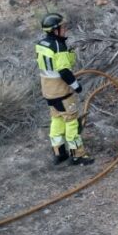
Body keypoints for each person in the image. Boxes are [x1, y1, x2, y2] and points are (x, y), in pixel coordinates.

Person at [36, 13, 94, 166]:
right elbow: (64, 71)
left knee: (57, 120)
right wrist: (76, 86)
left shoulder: (41, 44)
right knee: (71, 122)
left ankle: (59, 153)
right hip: (61, 92)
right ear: (55, 30)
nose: (65, 28)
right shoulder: (58, 47)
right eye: (63, 27)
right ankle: (78, 155)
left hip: (48, 92)